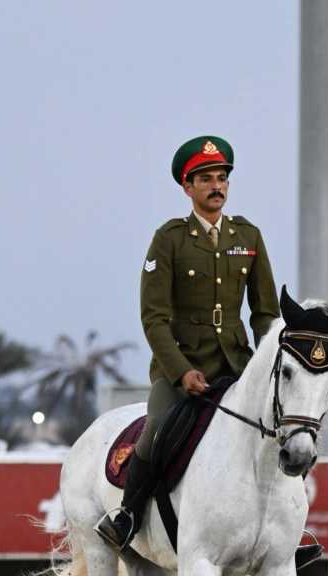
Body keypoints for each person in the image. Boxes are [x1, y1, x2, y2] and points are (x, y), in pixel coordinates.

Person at [96, 135, 280, 550]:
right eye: (207, 179)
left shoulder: (248, 236)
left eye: (222, 178)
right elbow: (154, 318)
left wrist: (268, 364)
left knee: (281, 430)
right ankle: (128, 514)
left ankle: (290, 530)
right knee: (156, 430)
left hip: (237, 365)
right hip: (181, 366)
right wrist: (180, 373)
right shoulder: (171, 239)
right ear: (187, 187)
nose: (217, 186)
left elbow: (265, 312)